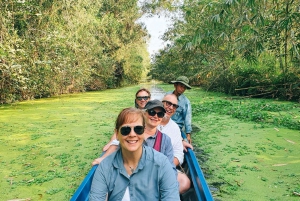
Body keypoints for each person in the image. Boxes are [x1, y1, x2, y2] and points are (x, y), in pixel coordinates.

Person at [89, 107, 179, 201]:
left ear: (144, 132)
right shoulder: (105, 167)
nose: (132, 134)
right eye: (125, 130)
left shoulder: (161, 163)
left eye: (138, 129)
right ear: (117, 134)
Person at [92, 100, 177, 177]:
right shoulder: (131, 135)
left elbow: (170, 169)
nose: (155, 116)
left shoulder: (165, 140)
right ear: (144, 113)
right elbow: (116, 144)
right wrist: (104, 158)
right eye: (151, 112)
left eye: (160, 114)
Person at [159, 94, 192, 193]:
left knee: (185, 182)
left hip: (167, 166)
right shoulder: (152, 120)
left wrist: (166, 166)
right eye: (168, 103)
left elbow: (178, 153)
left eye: (174, 106)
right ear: (161, 103)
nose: (171, 108)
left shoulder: (175, 128)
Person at [167, 76, 193, 144]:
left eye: (184, 88)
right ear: (175, 85)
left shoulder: (186, 102)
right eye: (181, 86)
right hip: (164, 125)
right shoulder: (167, 95)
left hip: (176, 129)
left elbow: (187, 119)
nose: (182, 89)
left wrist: (188, 134)